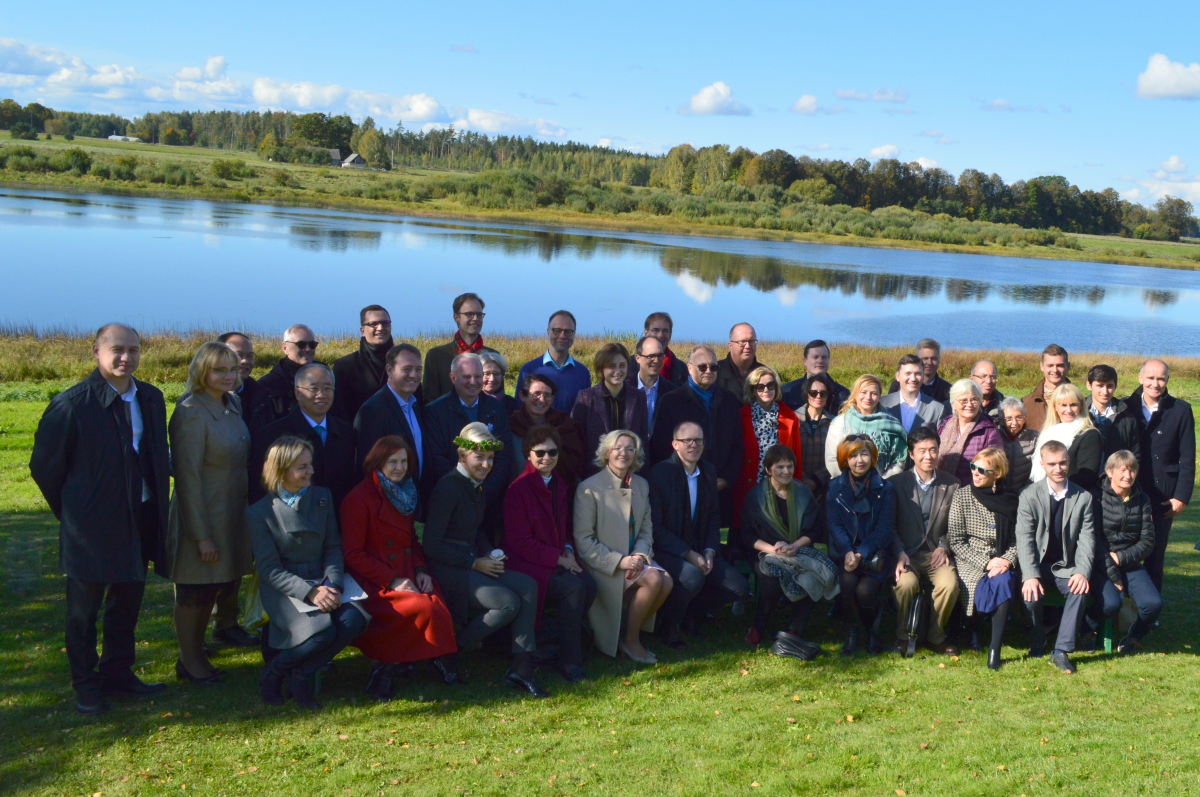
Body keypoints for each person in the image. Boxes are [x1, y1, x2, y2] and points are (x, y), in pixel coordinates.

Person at [30, 324, 169, 715]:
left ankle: (118, 673)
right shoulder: (72, 404)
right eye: (117, 349)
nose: (126, 357)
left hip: (140, 516)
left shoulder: (152, 398)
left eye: (134, 350)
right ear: (96, 351)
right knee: (83, 611)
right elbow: (44, 468)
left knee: (127, 603)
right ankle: (86, 685)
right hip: (92, 526)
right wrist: (75, 512)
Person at [422, 423, 547, 697]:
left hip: (473, 560)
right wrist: (473, 561)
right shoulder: (447, 487)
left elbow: (475, 530)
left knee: (528, 586)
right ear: (462, 455)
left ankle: (522, 668)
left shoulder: (477, 486)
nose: (486, 464)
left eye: (490, 458)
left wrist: (489, 551)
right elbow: (431, 545)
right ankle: (448, 651)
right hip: (449, 568)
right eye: (479, 457)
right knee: (507, 604)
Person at [248, 436, 367, 709]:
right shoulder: (259, 513)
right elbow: (269, 570)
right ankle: (275, 673)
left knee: (353, 621)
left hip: (325, 580)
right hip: (286, 589)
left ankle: (299, 675)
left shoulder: (322, 497)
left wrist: (333, 584)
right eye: (302, 467)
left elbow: (333, 545)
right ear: (281, 470)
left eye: (310, 464)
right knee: (321, 633)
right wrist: (311, 592)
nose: (311, 471)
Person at [340, 436, 457, 701]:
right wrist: (392, 580)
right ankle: (384, 670)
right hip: (374, 579)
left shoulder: (404, 492)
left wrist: (420, 570)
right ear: (377, 463)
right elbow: (353, 554)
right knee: (420, 607)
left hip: (407, 571)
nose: (399, 467)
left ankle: (429, 659)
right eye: (392, 461)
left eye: (404, 461)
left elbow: (412, 541)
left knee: (436, 601)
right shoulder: (357, 499)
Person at [166, 342, 254, 685]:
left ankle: (197, 653)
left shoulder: (234, 403)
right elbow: (187, 478)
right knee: (195, 589)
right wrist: (201, 535)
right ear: (201, 371)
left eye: (233, 369)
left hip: (231, 511)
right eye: (220, 370)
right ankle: (189, 659)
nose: (228, 376)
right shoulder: (190, 411)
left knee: (217, 585)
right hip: (201, 513)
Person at [503, 425, 597, 682]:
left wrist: (567, 551)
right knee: (573, 589)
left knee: (589, 584)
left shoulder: (559, 484)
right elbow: (520, 542)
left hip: (557, 556)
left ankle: (553, 645)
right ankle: (569, 662)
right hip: (527, 563)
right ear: (528, 454)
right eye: (540, 452)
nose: (547, 457)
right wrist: (559, 560)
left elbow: (564, 528)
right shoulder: (518, 489)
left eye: (552, 452)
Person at [649, 421, 752, 650]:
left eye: (699, 440)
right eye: (687, 441)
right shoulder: (659, 474)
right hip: (668, 551)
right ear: (675, 444)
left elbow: (714, 516)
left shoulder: (708, 471)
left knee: (740, 589)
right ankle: (668, 625)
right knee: (692, 577)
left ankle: (691, 614)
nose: (694, 445)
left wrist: (709, 551)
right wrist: (689, 555)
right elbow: (655, 528)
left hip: (701, 549)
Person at [574, 430, 673, 664]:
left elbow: (646, 529)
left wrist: (639, 555)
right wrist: (620, 561)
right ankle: (631, 640)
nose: (624, 453)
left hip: (635, 559)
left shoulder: (642, 485)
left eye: (630, 449)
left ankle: (625, 628)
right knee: (654, 580)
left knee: (667, 581)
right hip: (605, 564)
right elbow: (583, 541)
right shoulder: (589, 488)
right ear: (607, 452)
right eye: (618, 448)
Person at [739, 445, 829, 658]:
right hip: (765, 552)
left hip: (797, 550)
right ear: (768, 469)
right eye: (780, 467)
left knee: (813, 577)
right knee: (771, 581)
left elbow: (816, 530)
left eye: (790, 466)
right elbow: (747, 536)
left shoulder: (803, 493)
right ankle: (758, 628)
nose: (786, 471)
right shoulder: (755, 497)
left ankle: (794, 630)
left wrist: (795, 546)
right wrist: (773, 550)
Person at [1016, 440, 1098, 674]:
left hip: (1066, 566)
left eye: (1062, 462)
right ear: (1042, 465)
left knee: (1079, 591)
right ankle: (1037, 638)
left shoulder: (1083, 497)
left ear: (1069, 462)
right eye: (1052, 464)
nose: (1058, 468)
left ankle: (1061, 650)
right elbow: (1025, 539)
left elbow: (1087, 539)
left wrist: (1082, 571)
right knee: (1031, 598)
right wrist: (1030, 575)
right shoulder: (1029, 495)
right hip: (1038, 566)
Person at [424, 353, 515, 545]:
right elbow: (437, 456)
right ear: (453, 378)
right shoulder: (435, 411)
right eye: (466, 377)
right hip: (453, 503)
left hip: (489, 501)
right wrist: (462, 493)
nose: (473, 382)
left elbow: (504, 454)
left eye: (477, 376)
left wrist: (484, 494)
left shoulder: (495, 408)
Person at [649, 345, 744, 526]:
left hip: (719, 486)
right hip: (680, 486)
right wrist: (679, 478)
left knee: (717, 536)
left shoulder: (730, 401)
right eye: (702, 367)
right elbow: (660, 446)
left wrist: (727, 479)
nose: (708, 371)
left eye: (713, 367)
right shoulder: (670, 401)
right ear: (689, 368)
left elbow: (737, 444)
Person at [887, 427, 961, 658]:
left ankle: (935, 636)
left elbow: (958, 525)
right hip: (906, 554)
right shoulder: (896, 484)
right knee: (906, 585)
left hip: (936, 554)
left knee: (949, 584)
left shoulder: (952, 484)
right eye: (922, 451)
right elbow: (888, 525)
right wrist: (898, 552)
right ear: (911, 454)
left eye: (933, 450)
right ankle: (903, 636)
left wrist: (944, 545)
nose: (928, 456)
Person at [211, 331, 263, 648]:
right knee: (208, 566)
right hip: (214, 492)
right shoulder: (198, 402)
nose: (243, 362)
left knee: (237, 558)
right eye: (235, 355)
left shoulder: (258, 392)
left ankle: (227, 623)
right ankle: (197, 637)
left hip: (249, 487)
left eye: (248, 355)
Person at [1125, 358, 1194, 592]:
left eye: (1161, 378)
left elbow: (1187, 458)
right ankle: (1125, 606)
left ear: (1167, 380)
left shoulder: (1181, 410)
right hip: (1130, 489)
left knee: (1155, 554)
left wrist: (1181, 497)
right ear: (1141, 378)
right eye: (1151, 378)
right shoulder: (1125, 407)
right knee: (1127, 548)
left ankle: (1151, 609)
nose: (1156, 383)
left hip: (1164, 493)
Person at [947, 448, 1020, 670]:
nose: (975, 473)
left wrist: (1006, 560)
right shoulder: (961, 496)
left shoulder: (1011, 499)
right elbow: (956, 541)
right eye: (973, 467)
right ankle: (974, 628)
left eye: (981, 470)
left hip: (1002, 559)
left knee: (1004, 581)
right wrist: (985, 563)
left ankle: (994, 648)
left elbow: (1019, 539)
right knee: (978, 587)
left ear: (997, 473)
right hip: (971, 560)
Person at [1085, 450, 1163, 654]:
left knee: (1153, 604)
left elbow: (1148, 541)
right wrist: (1113, 572)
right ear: (1109, 472)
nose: (1128, 476)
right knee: (1110, 605)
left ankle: (1134, 637)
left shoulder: (1143, 499)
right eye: (1122, 470)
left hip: (1128, 561)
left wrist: (1120, 558)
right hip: (1100, 562)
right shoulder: (1095, 497)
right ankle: (1086, 628)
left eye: (1132, 470)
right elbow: (1094, 539)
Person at [251, 363, 357, 510]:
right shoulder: (272, 435)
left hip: (337, 521)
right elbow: (260, 489)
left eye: (327, 388)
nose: (321, 395)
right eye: (313, 388)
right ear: (297, 393)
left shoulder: (345, 431)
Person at [826, 436, 896, 656]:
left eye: (864, 454)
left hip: (875, 554)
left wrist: (861, 553)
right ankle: (852, 633)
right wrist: (848, 552)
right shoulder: (835, 487)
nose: (859, 460)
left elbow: (884, 529)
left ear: (872, 457)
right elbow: (834, 525)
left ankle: (871, 633)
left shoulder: (886, 489)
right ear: (845, 459)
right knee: (847, 583)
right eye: (853, 455)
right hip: (846, 553)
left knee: (865, 591)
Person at [352, 344, 432, 504]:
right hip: (388, 503)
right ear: (389, 370)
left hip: (414, 500)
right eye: (407, 369)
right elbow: (369, 466)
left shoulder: (415, 405)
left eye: (418, 369)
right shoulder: (373, 410)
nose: (414, 375)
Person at [734, 365, 803, 533]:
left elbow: (796, 457)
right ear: (752, 390)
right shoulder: (740, 416)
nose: (766, 390)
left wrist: (796, 486)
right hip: (749, 483)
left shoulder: (790, 417)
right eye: (760, 386)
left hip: (779, 485)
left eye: (770, 385)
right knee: (748, 532)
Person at [571, 343, 649, 477]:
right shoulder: (586, 397)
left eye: (622, 365)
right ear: (601, 369)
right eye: (611, 366)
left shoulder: (638, 397)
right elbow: (576, 441)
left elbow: (642, 439)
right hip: (594, 475)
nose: (618, 371)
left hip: (630, 474)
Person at [824, 374, 908, 479]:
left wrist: (879, 482)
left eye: (873, 393)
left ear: (879, 396)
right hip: (846, 487)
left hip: (881, 488)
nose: (868, 397)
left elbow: (898, 461)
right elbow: (832, 458)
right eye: (863, 392)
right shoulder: (840, 423)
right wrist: (850, 482)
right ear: (855, 394)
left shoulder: (891, 424)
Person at [509, 373, 586, 484]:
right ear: (522, 396)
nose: (542, 400)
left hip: (559, 494)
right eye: (536, 394)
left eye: (547, 395)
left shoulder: (564, 425)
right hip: (519, 493)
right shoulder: (512, 426)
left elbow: (575, 467)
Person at [422, 293, 497, 404]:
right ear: (456, 317)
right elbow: (429, 400)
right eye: (470, 314)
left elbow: (500, 397)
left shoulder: (493, 356)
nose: (475, 319)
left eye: (479, 314)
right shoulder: (437, 356)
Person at [1030, 383, 1103, 490]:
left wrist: (1055, 489)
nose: (1068, 410)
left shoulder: (1089, 434)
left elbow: (1087, 476)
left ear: (1081, 406)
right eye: (1063, 405)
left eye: (1073, 405)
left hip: (1073, 497)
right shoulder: (1048, 433)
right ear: (1055, 407)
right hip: (1043, 495)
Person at [330, 305, 394, 424]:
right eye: (373, 324)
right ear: (362, 331)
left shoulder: (405, 362)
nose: (380, 328)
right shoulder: (345, 366)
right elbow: (340, 410)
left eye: (385, 323)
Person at [516, 310, 591, 412]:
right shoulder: (529, 369)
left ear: (574, 334)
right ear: (548, 332)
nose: (562, 336)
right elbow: (518, 410)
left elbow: (586, 412)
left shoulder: (583, 372)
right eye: (557, 330)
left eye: (568, 332)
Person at [935, 379, 1004, 486]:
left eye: (974, 400)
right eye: (964, 400)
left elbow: (996, 468)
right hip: (942, 490)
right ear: (953, 403)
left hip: (971, 495)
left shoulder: (989, 432)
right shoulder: (944, 426)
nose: (969, 404)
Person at [253, 324, 319, 428]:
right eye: (301, 344)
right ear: (285, 347)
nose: (307, 349)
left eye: (312, 344)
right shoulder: (268, 385)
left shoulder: (326, 377)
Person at [1085, 364, 1140, 464]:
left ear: (1115, 386)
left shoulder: (1127, 418)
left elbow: (1135, 455)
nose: (1105, 392)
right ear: (1089, 385)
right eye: (1100, 386)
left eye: (1109, 386)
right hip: (1082, 476)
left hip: (1114, 477)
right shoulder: (1077, 412)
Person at [794, 373, 836, 503]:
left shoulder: (834, 423)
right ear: (807, 394)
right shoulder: (793, 419)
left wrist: (816, 480)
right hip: (795, 484)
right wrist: (803, 478)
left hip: (825, 488)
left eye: (823, 393)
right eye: (813, 393)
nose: (818, 396)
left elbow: (837, 456)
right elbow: (788, 452)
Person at [880, 354, 946, 433]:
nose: (913, 379)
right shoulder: (882, 403)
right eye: (908, 373)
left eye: (917, 374)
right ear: (898, 376)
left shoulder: (937, 409)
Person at [782, 340, 850, 414]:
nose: (820, 361)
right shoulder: (787, 391)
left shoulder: (843, 394)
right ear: (805, 361)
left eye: (824, 357)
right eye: (815, 357)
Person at [631, 334, 679, 434]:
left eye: (660, 356)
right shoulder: (625, 387)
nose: (656, 361)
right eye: (651, 356)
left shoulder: (673, 393)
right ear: (637, 358)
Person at [217, 331, 263, 435]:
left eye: (250, 356)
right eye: (238, 355)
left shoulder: (263, 395)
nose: (245, 361)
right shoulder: (197, 400)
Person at [1022, 344, 1071, 432]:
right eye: (1050, 365)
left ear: (1068, 366)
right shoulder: (1026, 403)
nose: (1055, 370)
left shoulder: (1080, 401)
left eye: (1060, 365)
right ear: (1042, 366)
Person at [887, 338, 951, 403]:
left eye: (934, 359)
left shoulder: (948, 389)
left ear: (939, 360)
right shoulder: (898, 384)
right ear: (917, 359)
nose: (929, 363)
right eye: (925, 358)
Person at [717, 322, 764, 404]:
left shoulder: (766, 373)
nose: (748, 346)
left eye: (752, 341)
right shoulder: (715, 372)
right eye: (742, 342)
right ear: (730, 345)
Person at [998, 397, 1038, 491]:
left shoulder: (1035, 438)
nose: (1014, 423)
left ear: (1025, 418)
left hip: (1025, 491)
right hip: (1000, 493)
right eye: (1009, 419)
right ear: (1001, 421)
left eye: (1019, 418)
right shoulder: (995, 437)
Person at [643, 311, 689, 385]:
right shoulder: (630, 365)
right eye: (655, 330)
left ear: (670, 335)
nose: (660, 335)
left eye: (665, 331)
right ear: (646, 333)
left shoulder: (682, 369)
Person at [480, 350, 520, 416]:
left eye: (496, 374)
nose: (492, 379)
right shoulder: (472, 402)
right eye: (487, 374)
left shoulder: (511, 405)